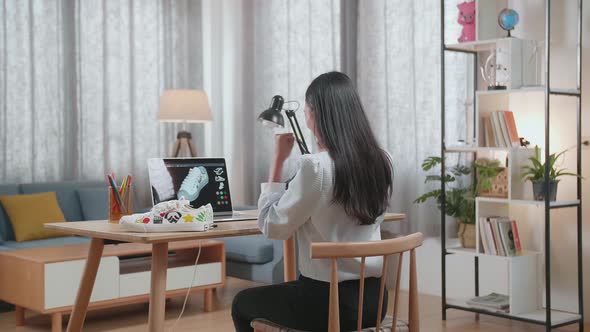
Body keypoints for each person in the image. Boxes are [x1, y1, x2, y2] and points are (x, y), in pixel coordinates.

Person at [232, 71, 394, 332]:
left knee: (241, 303)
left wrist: (278, 161)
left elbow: (272, 227)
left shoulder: (315, 168)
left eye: (306, 110)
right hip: (375, 301)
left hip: (329, 305)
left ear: (314, 115)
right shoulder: (382, 159)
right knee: (295, 287)